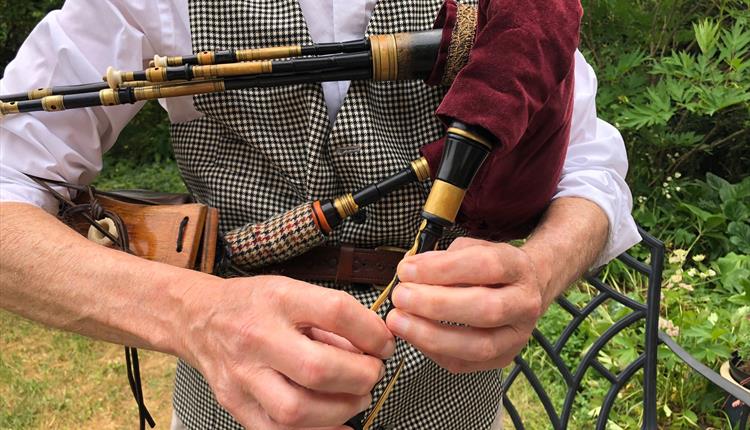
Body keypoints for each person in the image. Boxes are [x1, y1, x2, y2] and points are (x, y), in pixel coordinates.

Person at [0, 1, 640, 429]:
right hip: (231, 395)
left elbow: (592, 164)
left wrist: (539, 271)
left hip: (451, 389)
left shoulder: (513, 9)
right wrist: (194, 314)